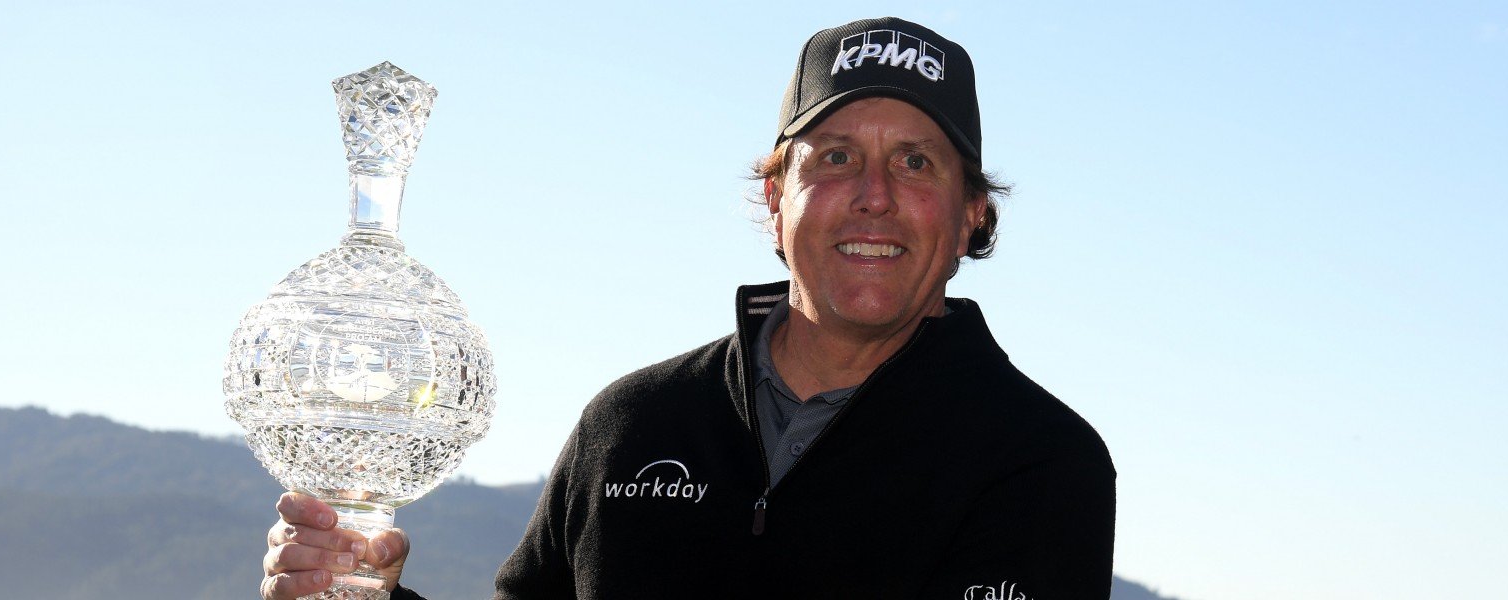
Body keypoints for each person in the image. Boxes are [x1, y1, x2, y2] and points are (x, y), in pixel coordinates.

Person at [262, 16, 1115, 599]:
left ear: (972, 214)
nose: (874, 197)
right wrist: (364, 590)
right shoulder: (634, 422)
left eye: (918, 164)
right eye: (837, 157)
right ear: (777, 198)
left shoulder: (1039, 464)